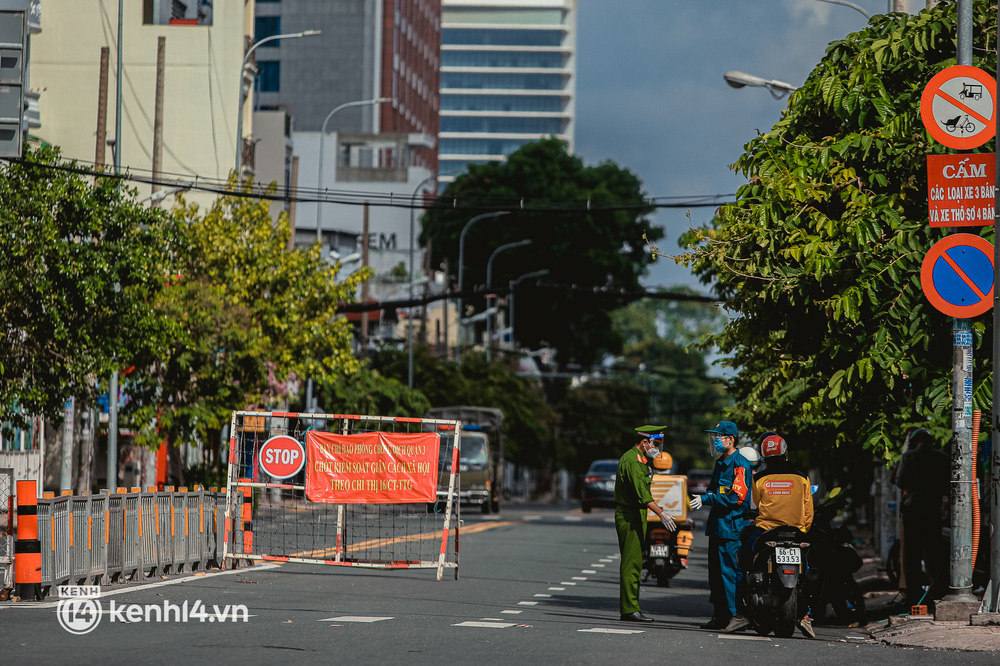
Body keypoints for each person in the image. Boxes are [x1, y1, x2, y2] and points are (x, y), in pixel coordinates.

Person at [724, 432, 815, 637]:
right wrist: (802, 530)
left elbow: (755, 504)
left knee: (742, 567)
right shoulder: (802, 478)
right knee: (807, 570)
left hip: (766, 532)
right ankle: (807, 615)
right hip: (797, 532)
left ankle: (741, 615)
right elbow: (808, 511)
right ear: (786, 453)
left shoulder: (760, 479)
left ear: (764, 456)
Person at [689, 421, 752, 630]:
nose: (716, 440)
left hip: (730, 527)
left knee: (728, 573)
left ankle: (737, 616)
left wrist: (708, 499)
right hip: (717, 526)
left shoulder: (740, 464)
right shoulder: (720, 463)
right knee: (715, 575)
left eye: (719, 436)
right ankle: (720, 616)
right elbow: (714, 490)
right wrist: (707, 497)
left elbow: (736, 497)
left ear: (731, 439)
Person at [615, 425, 678, 622]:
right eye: (655, 444)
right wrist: (662, 513)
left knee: (635, 561)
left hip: (637, 514)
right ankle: (629, 609)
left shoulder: (640, 460)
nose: (657, 449)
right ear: (644, 443)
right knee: (631, 563)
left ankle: (631, 607)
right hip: (630, 515)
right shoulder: (633, 461)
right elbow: (642, 495)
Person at [894, 428, 949, 609]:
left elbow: (900, 481)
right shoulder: (941, 457)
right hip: (933, 509)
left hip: (913, 509)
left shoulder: (908, 457)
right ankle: (938, 591)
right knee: (934, 551)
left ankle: (914, 595)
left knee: (912, 553)